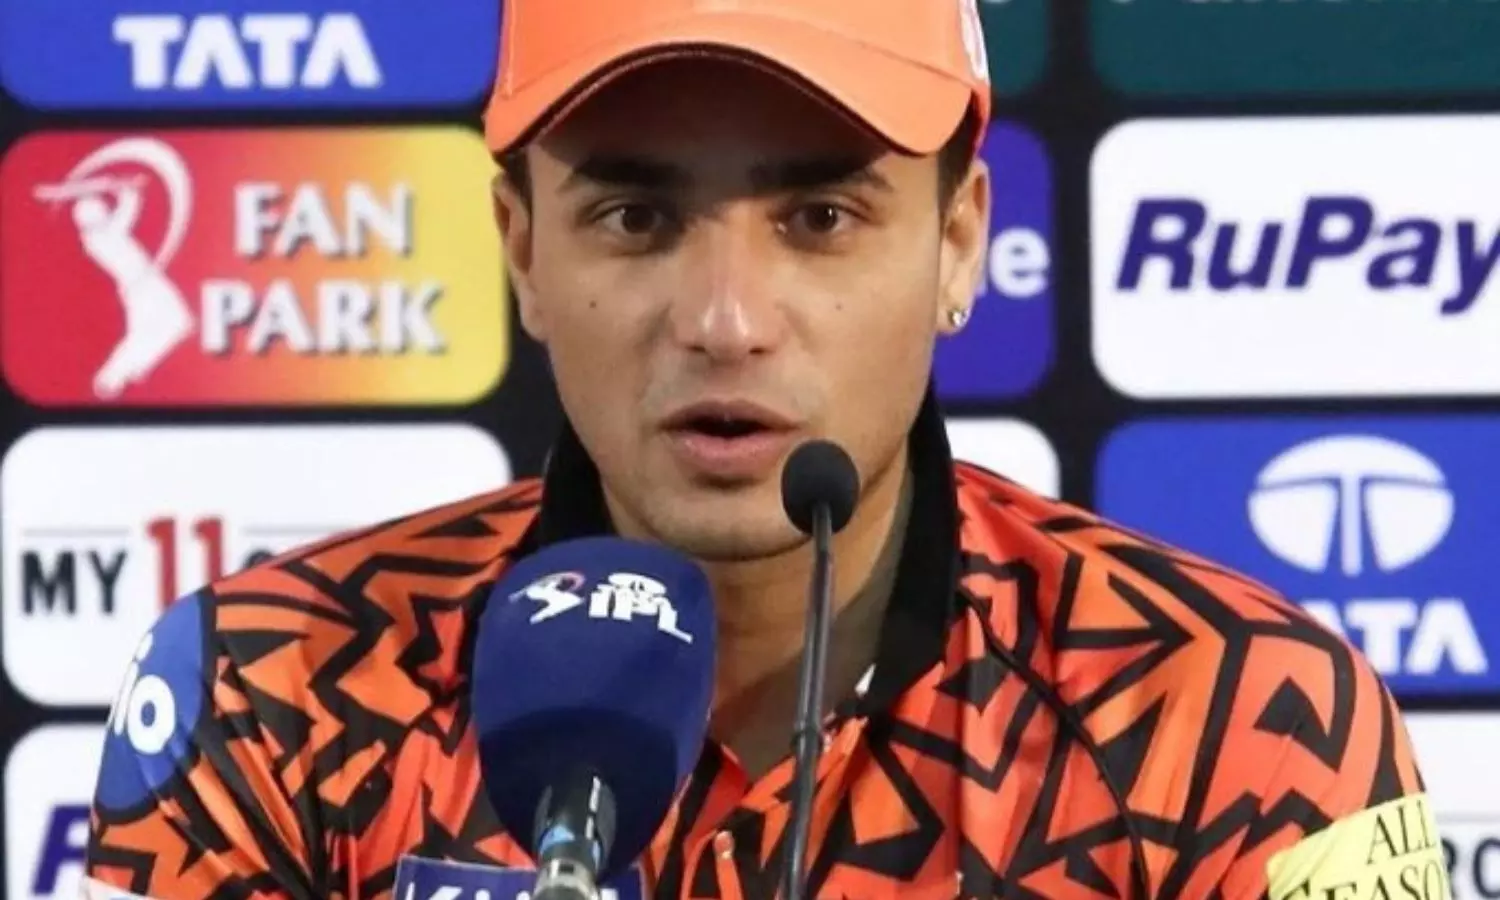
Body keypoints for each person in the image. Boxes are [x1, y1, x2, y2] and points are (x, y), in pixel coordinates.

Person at [83, 1, 1450, 898]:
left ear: (958, 240)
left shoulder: (1238, 715)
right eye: (635, 219)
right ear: (523, 250)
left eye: (819, 219)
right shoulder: (268, 695)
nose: (725, 321)